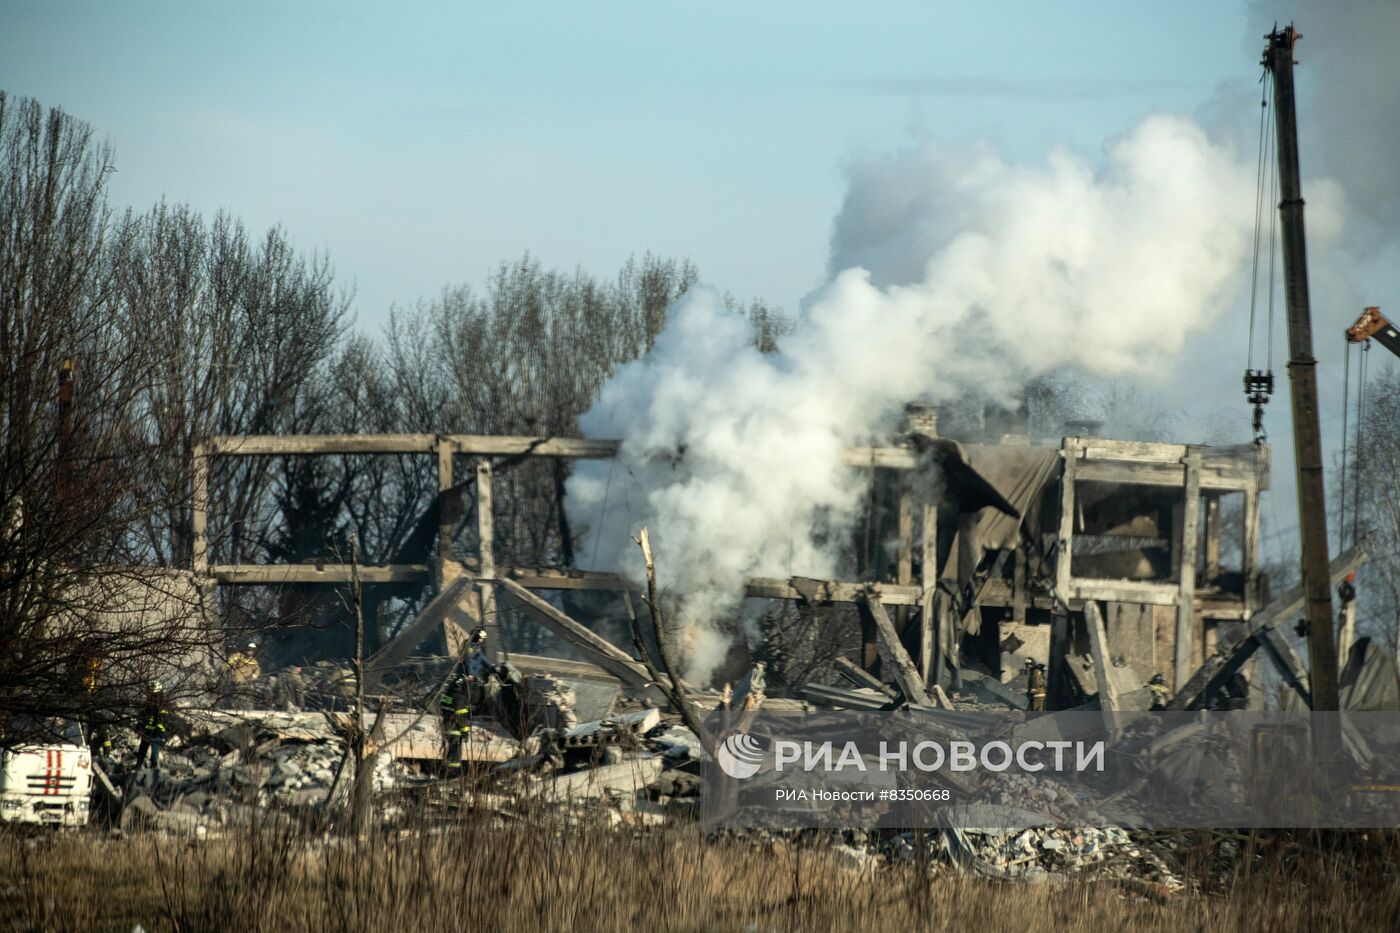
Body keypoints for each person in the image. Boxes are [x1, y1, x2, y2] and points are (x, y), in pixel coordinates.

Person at [135, 681, 168, 773]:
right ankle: (137, 770)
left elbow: (162, 718)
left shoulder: (162, 703)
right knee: (141, 752)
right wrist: (140, 724)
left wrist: (158, 731)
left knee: (154, 755)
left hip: (156, 733)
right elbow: (143, 715)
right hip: (147, 732)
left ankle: (154, 773)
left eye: (150, 690)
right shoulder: (148, 702)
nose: (148, 692)